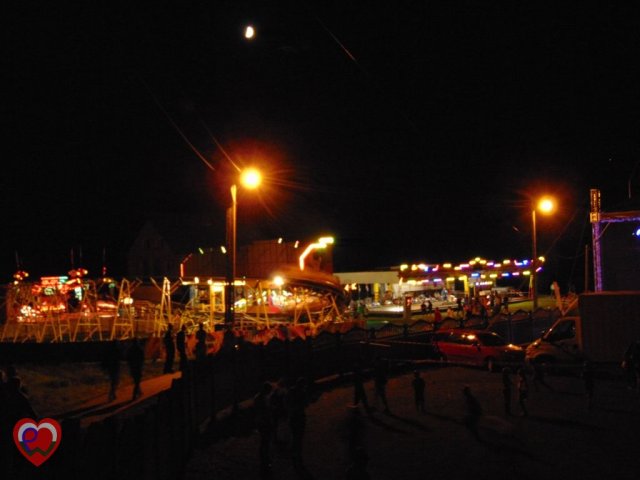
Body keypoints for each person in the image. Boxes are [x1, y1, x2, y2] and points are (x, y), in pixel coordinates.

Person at [287, 377, 308, 469]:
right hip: (299, 416)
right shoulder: (302, 392)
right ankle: (297, 454)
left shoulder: (290, 391)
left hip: (293, 416)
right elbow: (305, 404)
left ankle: (294, 453)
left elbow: (286, 403)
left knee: (295, 436)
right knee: (299, 436)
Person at [253, 381, 274, 475]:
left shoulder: (260, 397)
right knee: (265, 441)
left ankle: (265, 459)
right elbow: (263, 410)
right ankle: (264, 460)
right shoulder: (261, 398)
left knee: (265, 441)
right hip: (263, 422)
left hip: (262, 421)